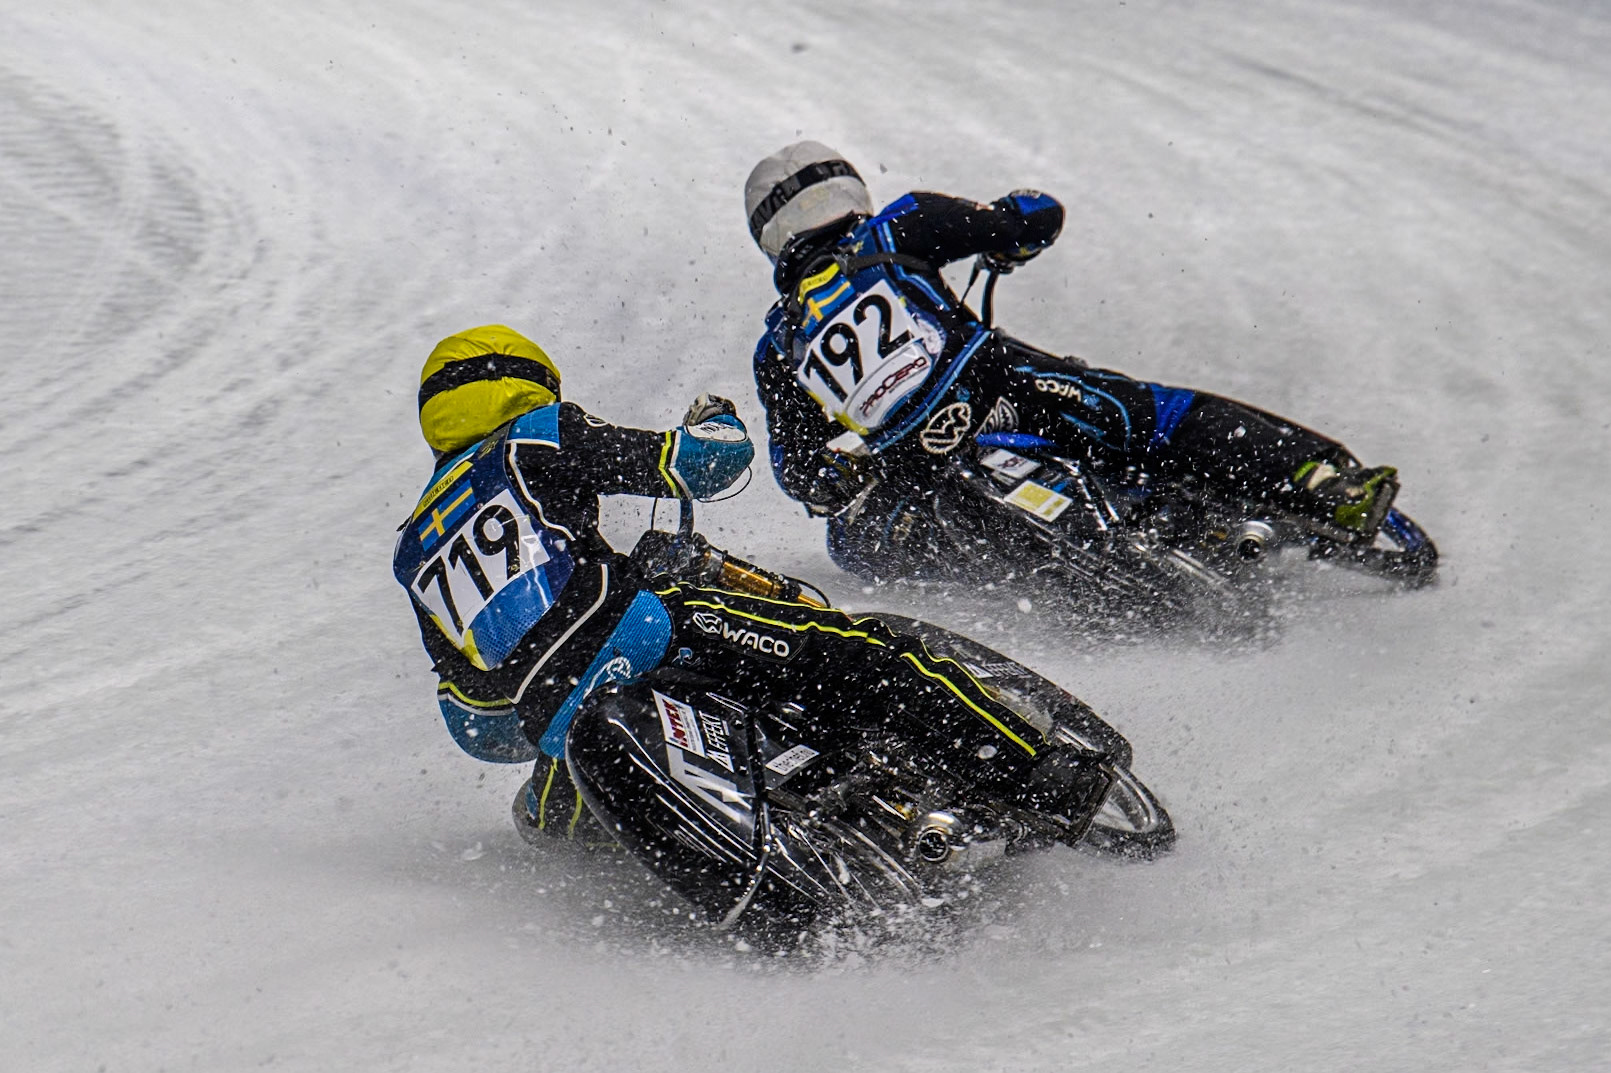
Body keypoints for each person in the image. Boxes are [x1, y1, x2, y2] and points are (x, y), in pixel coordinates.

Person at [393, 324, 1061, 843]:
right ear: (529, 383)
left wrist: (551, 697)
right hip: (642, 629)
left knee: (545, 833)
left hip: (554, 720)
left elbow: (473, 720)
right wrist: (718, 422)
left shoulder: (414, 544)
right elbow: (702, 465)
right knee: (862, 653)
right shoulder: (535, 436)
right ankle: (1041, 774)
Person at [744, 141, 1400, 582]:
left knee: (849, 544)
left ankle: (1022, 589)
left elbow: (800, 474)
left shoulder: (777, 344)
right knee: (1155, 414)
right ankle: (1323, 484)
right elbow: (1033, 216)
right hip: (1001, 391)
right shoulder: (896, 226)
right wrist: (1010, 238)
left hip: (916, 470)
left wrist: (845, 473)